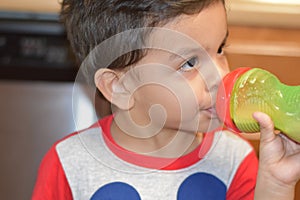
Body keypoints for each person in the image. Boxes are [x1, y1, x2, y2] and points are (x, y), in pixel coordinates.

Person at [32, 0, 300, 199]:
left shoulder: (233, 157)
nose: (220, 75)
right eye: (189, 63)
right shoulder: (69, 165)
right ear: (120, 86)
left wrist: (276, 185)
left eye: (220, 49)